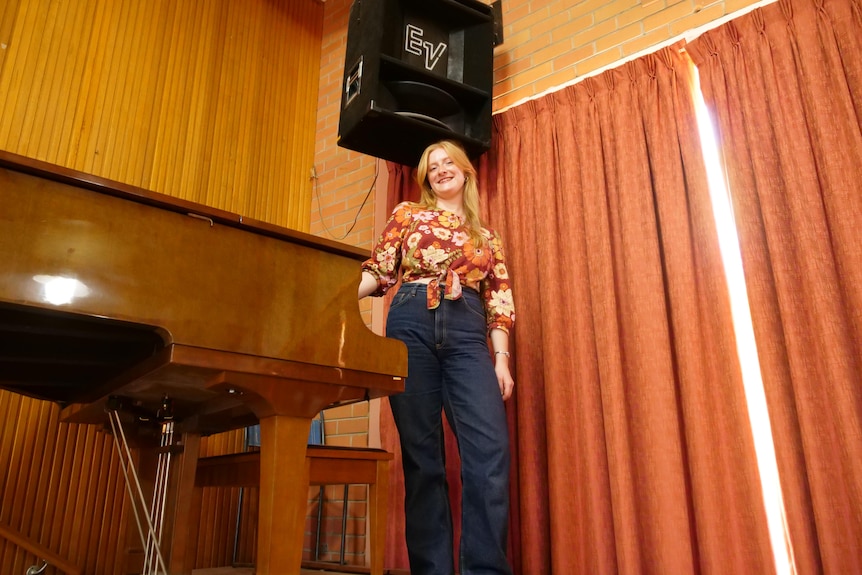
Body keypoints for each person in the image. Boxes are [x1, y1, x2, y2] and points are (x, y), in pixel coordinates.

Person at [358, 140, 515, 575]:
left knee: (490, 454)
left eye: (449, 163)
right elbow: (380, 269)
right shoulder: (407, 214)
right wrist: (334, 299)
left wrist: (500, 360)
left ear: (465, 171)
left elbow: (499, 299)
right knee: (423, 458)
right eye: (433, 166)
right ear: (426, 178)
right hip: (410, 320)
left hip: (467, 329)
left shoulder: (487, 237)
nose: (441, 170)